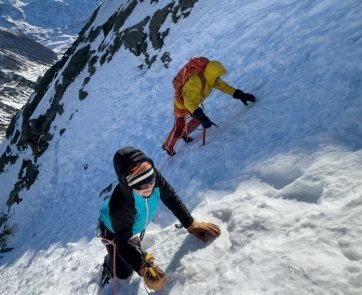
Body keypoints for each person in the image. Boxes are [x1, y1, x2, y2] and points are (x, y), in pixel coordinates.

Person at [98, 147, 221, 291]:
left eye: (150, 180)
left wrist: (190, 223)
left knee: (131, 246)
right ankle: (109, 262)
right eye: (140, 184)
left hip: (133, 222)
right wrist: (142, 268)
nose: (148, 187)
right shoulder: (120, 206)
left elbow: (170, 197)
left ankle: (130, 249)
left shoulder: (154, 178)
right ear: (127, 184)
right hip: (112, 229)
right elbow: (123, 243)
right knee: (124, 273)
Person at [162, 58, 256, 156]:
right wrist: (201, 116)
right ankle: (167, 146)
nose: (218, 78)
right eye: (217, 76)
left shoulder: (211, 79)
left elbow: (224, 87)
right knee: (179, 126)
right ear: (211, 74)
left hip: (192, 102)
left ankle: (185, 134)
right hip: (181, 103)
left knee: (197, 120)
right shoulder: (196, 81)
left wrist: (240, 95)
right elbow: (188, 102)